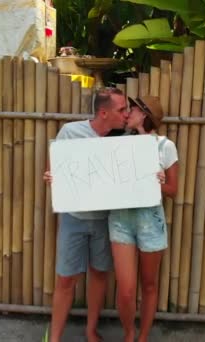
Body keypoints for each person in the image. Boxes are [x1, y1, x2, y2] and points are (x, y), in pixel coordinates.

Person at [44, 87, 129, 342]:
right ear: (103, 113)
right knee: (66, 279)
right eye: (121, 109)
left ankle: (91, 330)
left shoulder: (124, 138)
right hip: (74, 219)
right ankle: (55, 338)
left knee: (100, 274)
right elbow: (53, 168)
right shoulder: (71, 132)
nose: (126, 114)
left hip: (105, 220)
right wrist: (51, 177)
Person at [109, 96, 178, 342]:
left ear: (145, 115)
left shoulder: (165, 146)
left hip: (150, 221)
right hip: (120, 219)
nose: (129, 112)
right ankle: (129, 334)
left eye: (134, 109)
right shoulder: (119, 143)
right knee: (126, 290)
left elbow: (173, 190)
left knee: (149, 285)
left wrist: (158, 182)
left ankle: (143, 337)